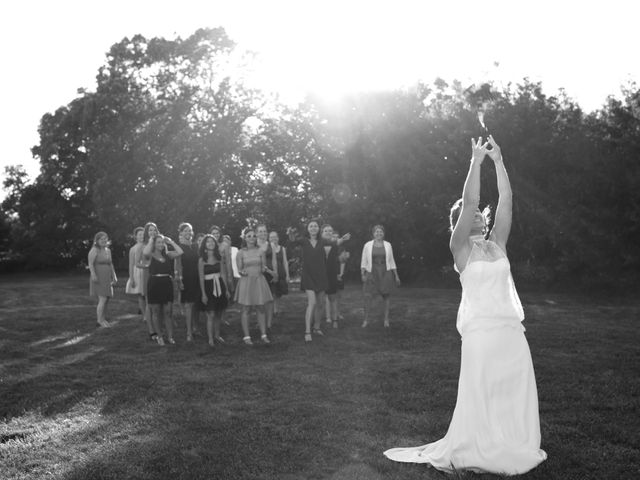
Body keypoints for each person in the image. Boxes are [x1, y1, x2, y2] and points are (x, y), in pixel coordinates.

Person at [383, 136, 547, 475]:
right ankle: (480, 445)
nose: (477, 217)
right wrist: (475, 161)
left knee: (513, 390)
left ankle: (514, 441)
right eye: (467, 215)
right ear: (460, 221)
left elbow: (507, 200)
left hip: (511, 333)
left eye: (478, 216)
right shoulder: (460, 248)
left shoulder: (497, 243)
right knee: (483, 392)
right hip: (481, 336)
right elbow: (471, 199)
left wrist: (499, 162)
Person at [288, 220, 350, 342]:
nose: (313, 228)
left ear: (318, 229)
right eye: (311, 226)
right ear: (308, 229)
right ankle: (307, 331)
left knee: (320, 303)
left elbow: (335, 242)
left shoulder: (323, 241)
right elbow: (292, 240)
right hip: (308, 276)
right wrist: (290, 233)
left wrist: (343, 239)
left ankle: (316, 327)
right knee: (312, 303)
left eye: (315, 226)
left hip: (321, 276)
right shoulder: (303, 241)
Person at [234, 227, 274, 345]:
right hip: (246, 282)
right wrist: (242, 272)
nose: (252, 238)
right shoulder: (240, 253)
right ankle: (247, 336)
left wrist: (268, 271)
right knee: (246, 309)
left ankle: (264, 334)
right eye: (249, 236)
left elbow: (263, 267)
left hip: (259, 281)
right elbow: (239, 269)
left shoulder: (261, 251)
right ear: (244, 238)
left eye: (253, 236)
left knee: (261, 308)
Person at [143, 233, 183, 345]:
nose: (161, 244)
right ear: (154, 244)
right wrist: (151, 240)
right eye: (158, 242)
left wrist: (170, 241)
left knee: (168, 312)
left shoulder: (168, 254)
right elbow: (145, 252)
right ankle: (159, 336)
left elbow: (180, 252)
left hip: (166, 284)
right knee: (155, 312)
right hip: (154, 284)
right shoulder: (150, 254)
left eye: (162, 242)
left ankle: (170, 337)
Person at [360, 224, 401, 328]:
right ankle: (366, 320)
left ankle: (386, 319)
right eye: (376, 232)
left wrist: (396, 275)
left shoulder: (388, 245)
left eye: (381, 232)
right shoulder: (367, 245)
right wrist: (363, 273)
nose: (379, 233)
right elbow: (363, 261)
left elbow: (391, 261)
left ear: (383, 233)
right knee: (368, 296)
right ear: (373, 234)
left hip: (385, 272)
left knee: (386, 296)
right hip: (371, 272)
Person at [198, 234, 229, 347]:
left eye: (212, 241)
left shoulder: (219, 257)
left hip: (219, 286)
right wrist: (203, 294)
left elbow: (223, 274)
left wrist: (226, 289)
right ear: (204, 245)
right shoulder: (202, 260)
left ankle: (217, 335)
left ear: (215, 244)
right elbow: (201, 278)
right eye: (208, 242)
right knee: (210, 314)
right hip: (208, 287)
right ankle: (210, 339)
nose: (210, 243)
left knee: (218, 313)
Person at [175, 223, 200, 342]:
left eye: (189, 230)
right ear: (181, 233)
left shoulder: (196, 246)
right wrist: (179, 280)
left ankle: (196, 327)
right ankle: (189, 332)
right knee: (188, 305)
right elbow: (178, 265)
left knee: (196, 304)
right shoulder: (179, 247)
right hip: (186, 277)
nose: (188, 233)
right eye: (185, 231)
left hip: (197, 278)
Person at [88, 231, 117, 328]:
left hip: (107, 277)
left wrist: (114, 276)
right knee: (103, 298)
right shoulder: (94, 250)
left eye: (105, 238)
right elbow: (90, 263)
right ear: (97, 241)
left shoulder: (108, 250)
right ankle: (99, 321)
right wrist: (93, 275)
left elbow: (110, 263)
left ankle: (103, 319)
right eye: (101, 239)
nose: (104, 240)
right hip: (98, 276)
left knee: (107, 298)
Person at [256, 224, 278, 331]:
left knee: (270, 300)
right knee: (260, 300)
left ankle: (269, 323)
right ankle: (260, 321)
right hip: (258, 274)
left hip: (270, 275)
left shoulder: (271, 245)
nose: (263, 233)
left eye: (264, 231)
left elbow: (274, 260)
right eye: (260, 231)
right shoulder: (254, 245)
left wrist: (275, 273)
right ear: (256, 233)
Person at [321, 225, 343, 329]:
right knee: (320, 299)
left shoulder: (335, 244)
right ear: (322, 233)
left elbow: (340, 257)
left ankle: (335, 320)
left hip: (332, 274)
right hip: (320, 274)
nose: (328, 232)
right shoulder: (318, 244)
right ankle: (318, 321)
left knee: (333, 298)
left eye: (330, 231)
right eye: (326, 231)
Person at [125, 227, 146, 321]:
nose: (142, 236)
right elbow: (131, 264)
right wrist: (132, 278)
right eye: (140, 234)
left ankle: (150, 312)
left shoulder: (148, 246)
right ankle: (145, 315)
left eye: (143, 234)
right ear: (136, 237)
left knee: (148, 293)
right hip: (137, 272)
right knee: (141, 294)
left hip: (147, 270)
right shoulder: (133, 249)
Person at [268, 230, 290, 317]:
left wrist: (287, 275)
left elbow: (285, 262)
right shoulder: (267, 248)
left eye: (275, 237)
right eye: (271, 237)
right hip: (271, 273)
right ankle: (271, 310)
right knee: (271, 292)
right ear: (269, 239)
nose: (273, 239)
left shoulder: (282, 249)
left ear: (278, 238)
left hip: (281, 273)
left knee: (278, 293)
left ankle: (276, 310)